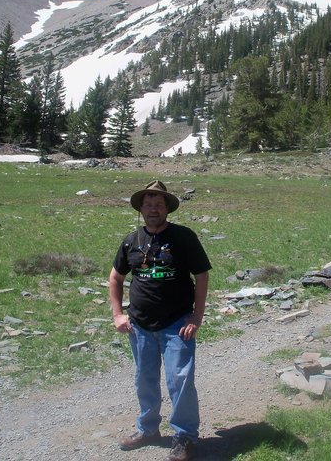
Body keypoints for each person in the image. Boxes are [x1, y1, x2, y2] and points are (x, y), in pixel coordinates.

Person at [109, 180, 211, 461]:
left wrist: (196, 316)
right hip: (139, 325)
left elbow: (201, 275)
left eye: (159, 204)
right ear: (141, 208)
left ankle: (185, 437)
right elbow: (115, 277)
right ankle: (148, 429)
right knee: (145, 380)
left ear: (167, 208)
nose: (153, 209)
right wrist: (118, 314)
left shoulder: (184, 237)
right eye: (148, 204)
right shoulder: (131, 240)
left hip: (177, 324)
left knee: (180, 379)